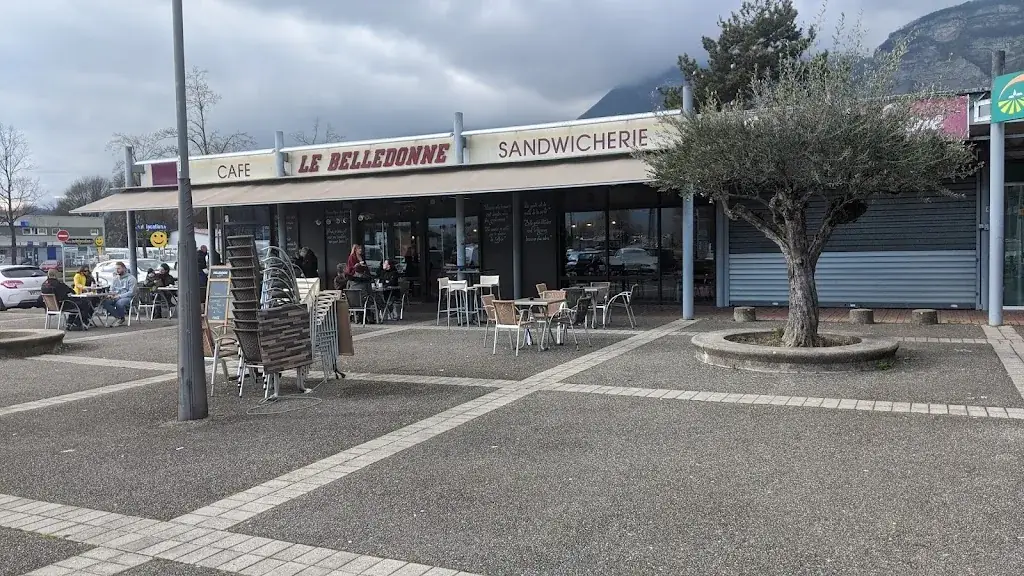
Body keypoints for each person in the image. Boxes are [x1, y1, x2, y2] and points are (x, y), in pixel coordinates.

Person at [101, 261, 137, 327]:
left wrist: (119, 296)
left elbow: (131, 292)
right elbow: (112, 289)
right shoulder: (115, 278)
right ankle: (119, 317)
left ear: (124, 268)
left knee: (119, 303)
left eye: (118, 268)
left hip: (127, 297)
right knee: (105, 302)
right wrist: (110, 294)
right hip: (115, 296)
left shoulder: (131, 278)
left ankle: (120, 318)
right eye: (116, 269)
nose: (117, 270)